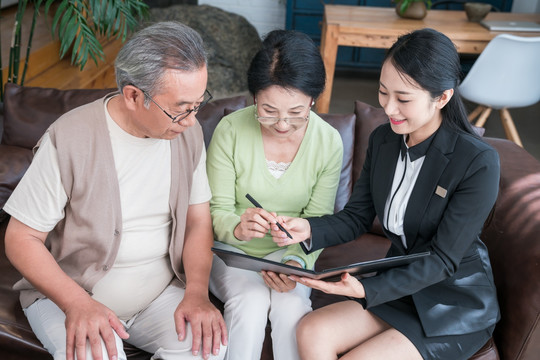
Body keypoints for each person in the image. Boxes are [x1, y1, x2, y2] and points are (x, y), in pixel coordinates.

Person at [272, 28, 501, 360]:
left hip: (451, 304)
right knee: (310, 330)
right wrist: (307, 229)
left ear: (442, 98)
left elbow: (442, 260)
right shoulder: (384, 140)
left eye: (403, 99)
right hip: (399, 288)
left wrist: (367, 288)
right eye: (383, 92)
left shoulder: (477, 162)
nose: (389, 107)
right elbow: (356, 217)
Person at [4, 22, 227, 360]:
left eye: (198, 104)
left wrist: (196, 292)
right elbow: (20, 239)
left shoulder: (187, 136)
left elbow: (198, 221)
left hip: (158, 297)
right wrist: (78, 303)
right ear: (134, 95)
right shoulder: (69, 138)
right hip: (68, 298)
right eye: (180, 108)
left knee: (210, 349)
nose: (191, 121)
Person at [206, 29, 343, 360]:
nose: (282, 124)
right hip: (231, 252)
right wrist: (238, 226)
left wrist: (296, 261)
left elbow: (318, 220)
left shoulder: (328, 142)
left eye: (296, 112)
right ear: (253, 97)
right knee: (250, 303)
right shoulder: (231, 131)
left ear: (313, 98)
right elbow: (216, 209)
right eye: (268, 110)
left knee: (291, 308)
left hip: (289, 256)